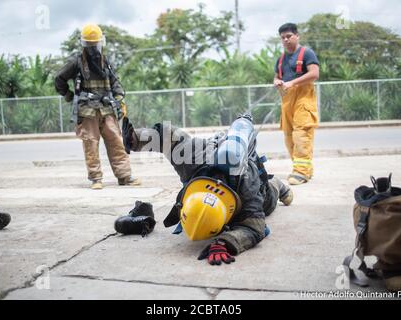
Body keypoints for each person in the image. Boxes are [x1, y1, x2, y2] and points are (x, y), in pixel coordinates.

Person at [122, 113, 294, 266]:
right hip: (214, 151)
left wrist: (226, 241)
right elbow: (167, 135)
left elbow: (256, 227)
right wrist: (135, 138)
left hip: (259, 187)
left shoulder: (247, 185)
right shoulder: (192, 159)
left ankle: (279, 185)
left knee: (269, 198)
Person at [55, 23, 140, 189]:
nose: (94, 48)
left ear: (101, 43)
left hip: (107, 109)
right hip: (87, 111)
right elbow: (59, 79)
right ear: (85, 45)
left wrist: (119, 98)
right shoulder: (77, 62)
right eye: (91, 45)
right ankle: (96, 179)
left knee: (116, 142)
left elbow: (115, 81)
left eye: (96, 44)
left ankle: (124, 176)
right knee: (91, 144)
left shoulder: (105, 61)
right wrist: (69, 96)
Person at [273, 23, 320, 185]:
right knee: (289, 135)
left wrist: (292, 83)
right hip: (287, 100)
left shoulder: (307, 53)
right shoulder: (281, 60)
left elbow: (314, 74)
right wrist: (278, 82)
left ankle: (301, 172)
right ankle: (303, 168)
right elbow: (276, 77)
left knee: (301, 134)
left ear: (297, 36)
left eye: (289, 36)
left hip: (303, 98)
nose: (286, 40)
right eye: (283, 38)